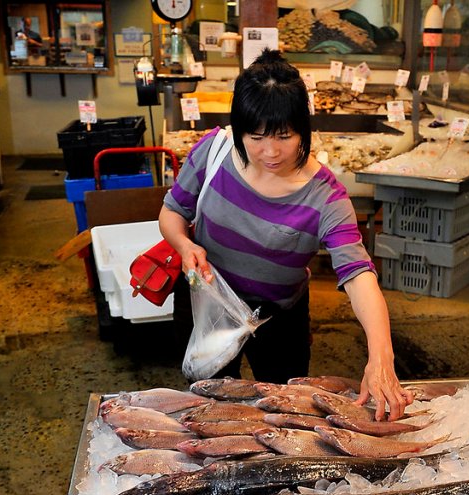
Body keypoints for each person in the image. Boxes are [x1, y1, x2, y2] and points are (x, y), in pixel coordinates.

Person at [160, 49, 411, 420]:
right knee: (210, 410)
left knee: (285, 415)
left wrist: (381, 356)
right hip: (207, 302)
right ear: (239, 127)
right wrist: (185, 245)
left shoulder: (326, 196)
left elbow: (359, 276)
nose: (271, 152)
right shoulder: (213, 152)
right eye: (256, 136)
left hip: (279, 319)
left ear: (303, 129)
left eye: (284, 136)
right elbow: (171, 213)